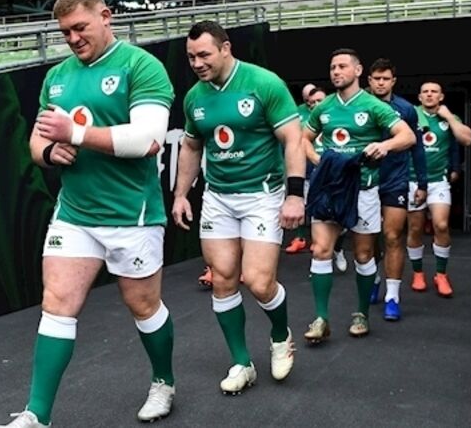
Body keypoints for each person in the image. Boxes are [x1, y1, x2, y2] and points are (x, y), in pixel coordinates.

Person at [0, 0, 176, 427]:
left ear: (105, 16)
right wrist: (49, 152)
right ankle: (36, 415)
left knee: (143, 305)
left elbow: (147, 140)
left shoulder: (141, 66)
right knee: (56, 302)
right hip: (75, 212)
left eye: (80, 27)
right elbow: (37, 142)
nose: (73, 38)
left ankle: (163, 381)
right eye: (65, 32)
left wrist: (72, 134)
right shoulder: (57, 77)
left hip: (131, 214)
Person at [172, 20, 305, 394]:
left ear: (226, 48)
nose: (197, 63)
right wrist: (181, 194)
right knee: (223, 278)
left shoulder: (263, 83)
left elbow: (293, 139)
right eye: (191, 57)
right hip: (218, 198)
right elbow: (192, 146)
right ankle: (241, 363)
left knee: (259, 282)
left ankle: (280, 336)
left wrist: (295, 194)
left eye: (204, 55)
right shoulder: (194, 98)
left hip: (262, 195)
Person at [301, 48, 415, 342]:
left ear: (358, 70)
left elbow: (407, 136)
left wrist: (384, 146)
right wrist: (315, 159)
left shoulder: (373, 105)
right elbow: (304, 138)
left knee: (364, 254)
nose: (336, 72)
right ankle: (321, 318)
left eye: (342, 66)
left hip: (364, 188)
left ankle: (362, 313)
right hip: (330, 189)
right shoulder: (323, 106)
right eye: (332, 67)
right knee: (320, 250)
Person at [365, 58, 428, 321]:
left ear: (393, 81)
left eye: (385, 79)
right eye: (376, 79)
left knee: (392, 236)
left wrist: (422, 183)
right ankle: (374, 278)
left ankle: (393, 297)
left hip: (396, 180)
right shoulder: (359, 105)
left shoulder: (406, 109)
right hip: (366, 180)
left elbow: (417, 146)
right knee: (368, 239)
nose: (381, 83)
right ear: (369, 81)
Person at [406, 81, 471, 297]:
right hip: (413, 180)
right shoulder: (411, 115)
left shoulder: (449, 118)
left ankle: (441, 274)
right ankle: (418, 273)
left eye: (434, 92)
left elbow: (466, 140)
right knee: (415, 228)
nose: (429, 95)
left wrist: (449, 117)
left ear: (441, 97)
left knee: (441, 225)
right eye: (425, 92)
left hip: (438, 181)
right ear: (419, 97)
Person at [285, 84, 326, 253]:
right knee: (305, 205)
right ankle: (301, 238)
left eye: (319, 101)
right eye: (311, 101)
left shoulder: (333, 112)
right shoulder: (299, 114)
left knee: (328, 208)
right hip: (307, 169)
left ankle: (331, 244)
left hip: (329, 169)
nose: (315, 104)